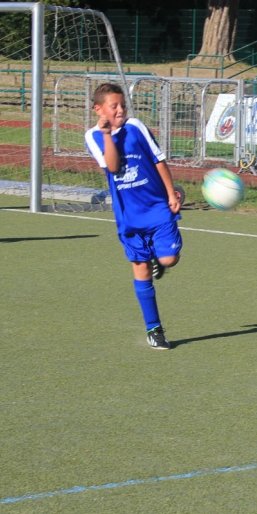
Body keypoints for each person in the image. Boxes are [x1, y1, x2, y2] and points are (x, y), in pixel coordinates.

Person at [84, 83, 182, 350]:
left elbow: (158, 160)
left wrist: (171, 194)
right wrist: (107, 134)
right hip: (129, 216)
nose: (120, 110)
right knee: (141, 269)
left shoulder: (136, 126)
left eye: (123, 105)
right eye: (114, 106)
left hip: (157, 206)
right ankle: (154, 329)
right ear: (98, 109)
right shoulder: (92, 136)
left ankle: (159, 259)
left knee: (169, 259)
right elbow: (113, 166)